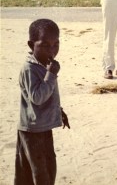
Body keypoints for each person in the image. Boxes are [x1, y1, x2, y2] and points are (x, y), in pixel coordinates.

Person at [14, 19, 70, 185]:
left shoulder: (45, 64)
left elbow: (50, 95)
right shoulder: (29, 69)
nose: (52, 50)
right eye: (45, 45)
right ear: (32, 45)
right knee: (41, 174)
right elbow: (37, 97)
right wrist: (51, 74)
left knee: (44, 167)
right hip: (32, 131)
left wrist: (58, 111)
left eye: (56, 44)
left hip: (43, 127)